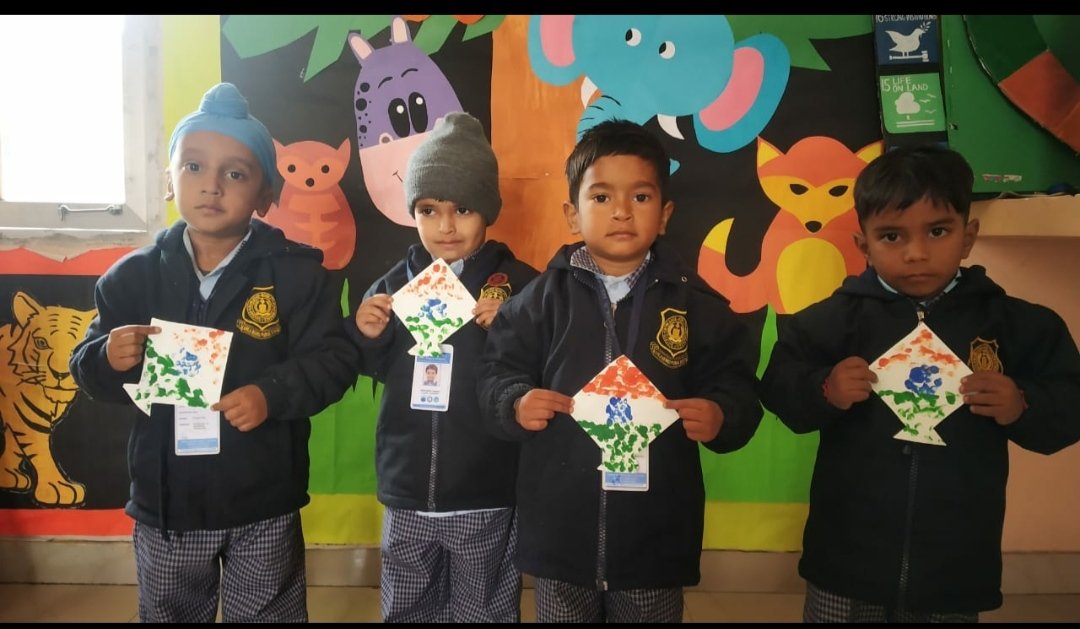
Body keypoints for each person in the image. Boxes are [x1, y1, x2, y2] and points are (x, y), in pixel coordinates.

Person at [69, 82, 359, 623]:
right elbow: (86, 366)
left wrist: (270, 394)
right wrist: (107, 357)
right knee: (171, 613)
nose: (211, 186)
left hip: (262, 498)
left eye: (235, 173)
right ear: (169, 181)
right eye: (195, 167)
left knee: (268, 612)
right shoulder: (130, 279)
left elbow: (335, 360)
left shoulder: (298, 275)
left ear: (266, 195)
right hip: (167, 503)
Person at [759, 144, 1080, 622]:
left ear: (968, 237)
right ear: (863, 245)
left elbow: (1070, 401)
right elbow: (779, 387)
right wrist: (824, 390)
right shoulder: (832, 322)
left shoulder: (1016, 324)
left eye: (938, 231)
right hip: (846, 558)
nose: (916, 252)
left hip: (954, 564)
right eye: (892, 235)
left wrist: (1023, 404)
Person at [476, 119, 763, 623]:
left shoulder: (697, 305)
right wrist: (515, 402)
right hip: (561, 535)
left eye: (642, 197)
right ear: (573, 213)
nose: (623, 212)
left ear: (666, 213)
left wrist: (723, 414)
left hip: (654, 538)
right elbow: (496, 372)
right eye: (602, 197)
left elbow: (737, 385)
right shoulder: (538, 303)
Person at [349, 112, 539, 623]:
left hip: (487, 488)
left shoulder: (521, 286)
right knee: (408, 605)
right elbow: (370, 367)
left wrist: (515, 326)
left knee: (487, 607)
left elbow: (546, 368)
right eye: (429, 210)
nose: (446, 226)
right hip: (407, 488)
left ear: (489, 211)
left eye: (463, 208)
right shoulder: (393, 286)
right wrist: (367, 335)